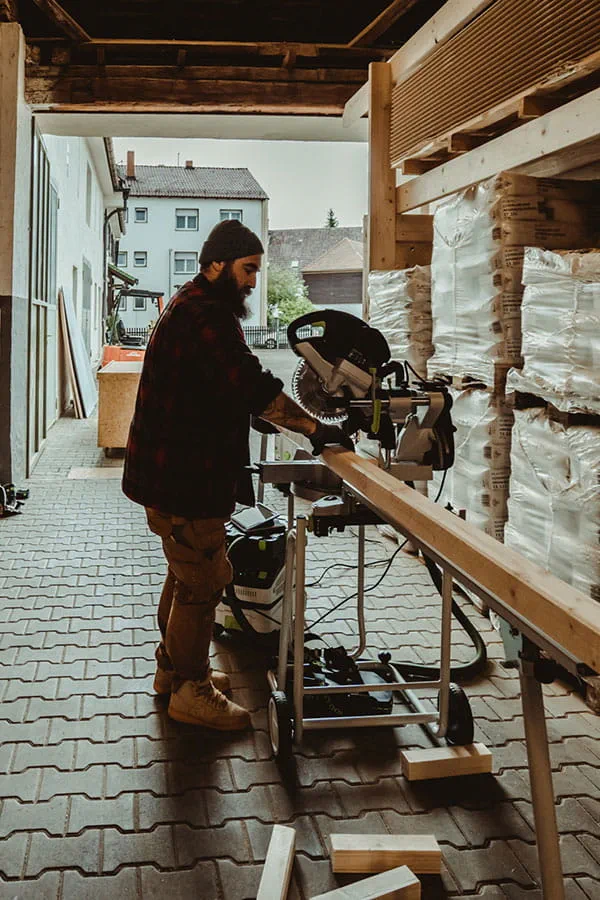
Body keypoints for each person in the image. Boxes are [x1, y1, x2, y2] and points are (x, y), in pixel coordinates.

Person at [122, 219, 351, 731]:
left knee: (188, 575)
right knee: (202, 582)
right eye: (248, 269)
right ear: (218, 264)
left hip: (173, 474)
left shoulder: (191, 306)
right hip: (184, 476)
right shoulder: (206, 315)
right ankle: (191, 689)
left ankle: (173, 670)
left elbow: (221, 385)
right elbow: (251, 384)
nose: (252, 281)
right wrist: (316, 430)